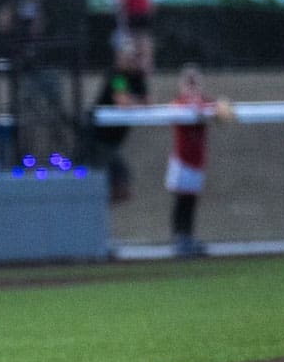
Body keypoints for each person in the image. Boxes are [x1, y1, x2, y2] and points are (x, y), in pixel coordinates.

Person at [165, 63, 231, 258]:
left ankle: (188, 237)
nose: (192, 86)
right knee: (181, 201)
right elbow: (180, 111)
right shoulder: (179, 103)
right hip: (182, 160)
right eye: (189, 82)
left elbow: (222, 114)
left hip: (197, 161)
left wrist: (221, 107)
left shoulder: (205, 102)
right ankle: (180, 239)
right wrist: (199, 109)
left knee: (191, 201)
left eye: (195, 82)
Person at [90, 40, 149, 203]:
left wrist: (134, 101)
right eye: (126, 55)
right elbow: (122, 101)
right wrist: (135, 101)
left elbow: (148, 100)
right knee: (119, 178)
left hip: (114, 140)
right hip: (98, 137)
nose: (129, 59)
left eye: (132, 56)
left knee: (122, 183)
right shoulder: (117, 75)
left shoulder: (137, 77)